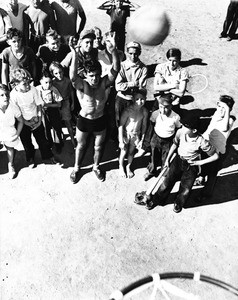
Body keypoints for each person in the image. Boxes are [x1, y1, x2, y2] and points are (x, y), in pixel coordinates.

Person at [69, 32, 120, 183]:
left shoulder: (104, 82)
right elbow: (72, 77)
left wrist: (114, 50)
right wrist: (73, 53)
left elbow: (116, 69)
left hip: (100, 119)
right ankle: (77, 168)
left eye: (97, 75)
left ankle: (96, 167)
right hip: (84, 120)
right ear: (86, 75)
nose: (95, 78)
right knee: (81, 146)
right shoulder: (82, 85)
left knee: (98, 147)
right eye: (91, 75)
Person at [145, 114, 219, 213]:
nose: (181, 127)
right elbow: (175, 145)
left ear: (194, 130)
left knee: (185, 188)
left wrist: (199, 162)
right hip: (177, 161)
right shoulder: (180, 132)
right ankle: (157, 200)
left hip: (191, 166)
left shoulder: (202, 142)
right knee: (166, 183)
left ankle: (178, 203)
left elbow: (215, 156)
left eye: (185, 126)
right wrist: (168, 159)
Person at [10, 68, 59, 167]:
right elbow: (17, 114)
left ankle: (47, 156)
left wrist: (39, 120)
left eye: (28, 82)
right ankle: (30, 157)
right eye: (24, 84)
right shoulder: (13, 95)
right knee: (26, 142)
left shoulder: (33, 90)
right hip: (22, 121)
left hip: (36, 118)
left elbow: (39, 105)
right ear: (15, 84)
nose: (28, 85)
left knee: (42, 140)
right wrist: (26, 122)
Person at [198, 95, 236, 200]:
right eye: (219, 106)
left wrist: (226, 109)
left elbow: (224, 128)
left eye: (224, 108)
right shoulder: (216, 114)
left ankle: (206, 194)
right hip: (206, 145)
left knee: (212, 173)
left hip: (216, 151)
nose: (220, 109)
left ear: (229, 110)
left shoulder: (230, 120)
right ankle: (201, 178)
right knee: (204, 166)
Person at [143, 94, 181, 181]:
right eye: (161, 107)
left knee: (166, 157)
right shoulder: (155, 114)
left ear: (171, 106)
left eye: (166, 107)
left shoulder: (176, 117)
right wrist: (147, 141)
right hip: (156, 138)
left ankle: (164, 173)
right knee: (153, 156)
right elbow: (151, 127)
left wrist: (176, 143)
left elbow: (178, 129)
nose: (163, 110)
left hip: (168, 141)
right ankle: (151, 171)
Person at [115, 41, 147, 127]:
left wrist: (126, 85)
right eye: (130, 53)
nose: (133, 56)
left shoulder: (143, 68)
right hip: (122, 98)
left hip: (135, 100)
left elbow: (141, 87)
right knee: (118, 122)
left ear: (139, 53)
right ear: (127, 53)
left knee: (131, 123)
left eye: (136, 54)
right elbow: (118, 86)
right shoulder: (122, 66)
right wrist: (132, 84)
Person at [118, 88, 148, 178]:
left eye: (142, 99)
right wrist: (120, 140)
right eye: (137, 99)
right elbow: (121, 125)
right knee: (123, 151)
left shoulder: (144, 111)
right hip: (125, 133)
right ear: (133, 99)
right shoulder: (127, 111)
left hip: (136, 134)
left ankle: (128, 166)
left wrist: (142, 139)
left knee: (131, 152)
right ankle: (121, 166)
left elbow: (144, 126)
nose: (140, 101)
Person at [49, 61, 76, 148]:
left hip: (65, 102)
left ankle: (72, 139)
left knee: (68, 122)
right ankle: (58, 141)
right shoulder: (52, 82)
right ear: (52, 74)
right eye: (56, 73)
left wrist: (73, 103)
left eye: (60, 72)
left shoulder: (67, 80)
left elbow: (71, 91)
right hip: (56, 104)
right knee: (56, 123)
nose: (59, 75)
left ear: (63, 71)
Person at [154, 48, 188, 115]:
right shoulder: (160, 67)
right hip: (159, 101)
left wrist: (164, 86)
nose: (172, 63)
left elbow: (181, 93)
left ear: (179, 60)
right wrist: (173, 86)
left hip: (174, 103)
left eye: (174, 61)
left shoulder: (183, 72)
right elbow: (156, 87)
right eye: (170, 60)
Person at [36, 69, 64, 153]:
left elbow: (59, 104)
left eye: (50, 82)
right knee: (45, 128)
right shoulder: (37, 90)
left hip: (53, 111)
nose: (48, 85)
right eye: (46, 82)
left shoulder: (54, 90)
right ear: (41, 81)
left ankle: (58, 144)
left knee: (56, 128)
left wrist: (47, 105)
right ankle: (49, 143)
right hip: (43, 112)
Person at [0, 83, 23, 179]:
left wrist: (17, 134)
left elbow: (21, 121)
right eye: (1, 95)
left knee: (10, 147)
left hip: (9, 130)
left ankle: (11, 165)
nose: (5, 97)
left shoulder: (13, 106)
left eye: (7, 94)